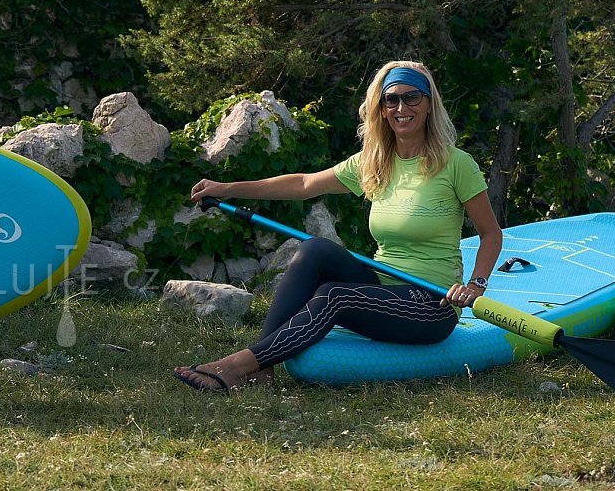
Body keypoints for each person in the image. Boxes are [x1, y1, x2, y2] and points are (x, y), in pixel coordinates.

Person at [176, 60, 503, 392]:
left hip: (432, 303)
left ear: (429, 104)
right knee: (315, 248)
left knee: (334, 296)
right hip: (382, 283)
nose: (401, 107)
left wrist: (476, 284)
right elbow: (304, 184)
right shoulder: (374, 162)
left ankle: (236, 366)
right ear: (382, 109)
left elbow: (491, 233)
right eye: (391, 100)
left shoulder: (456, 164)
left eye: (412, 97)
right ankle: (264, 369)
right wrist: (227, 188)